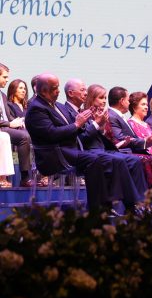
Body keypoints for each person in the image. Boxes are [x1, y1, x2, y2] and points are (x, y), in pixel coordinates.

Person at [25, 73, 143, 211]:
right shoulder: (36, 108)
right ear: (44, 91)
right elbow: (51, 134)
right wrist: (77, 124)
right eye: (55, 88)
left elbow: (74, 128)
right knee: (94, 160)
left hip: (69, 150)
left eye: (58, 87)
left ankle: (115, 205)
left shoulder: (57, 105)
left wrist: (92, 124)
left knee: (109, 160)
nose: (58, 91)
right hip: (54, 155)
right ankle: (96, 209)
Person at [81, 83, 152, 192]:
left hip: (109, 150)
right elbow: (86, 137)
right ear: (92, 98)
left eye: (105, 98)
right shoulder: (86, 115)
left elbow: (108, 138)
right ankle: (135, 198)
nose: (104, 101)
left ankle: (144, 197)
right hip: (96, 151)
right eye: (101, 98)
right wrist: (99, 125)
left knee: (143, 160)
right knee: (132, 160)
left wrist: (103, 128)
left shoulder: (104, 115)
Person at [107, 86, 152, 204]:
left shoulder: (125, 118)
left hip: (137, 151)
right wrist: (146, 142)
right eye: (143, 104)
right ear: (122, 101)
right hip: (127, 153)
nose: (146, 107)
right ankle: (144, 203)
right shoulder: (118, 117)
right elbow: (120, 139)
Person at [0, 63, 32, 186]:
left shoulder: (2, 96)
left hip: (5, 127)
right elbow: (7, 121)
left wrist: (17, 122)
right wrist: (10, 124)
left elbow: (8, 117)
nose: (7, 80)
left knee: (25, 134)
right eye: (4, 77)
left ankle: (26, 178)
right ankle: (23, 177)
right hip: (3, 128)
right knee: (22, 136)